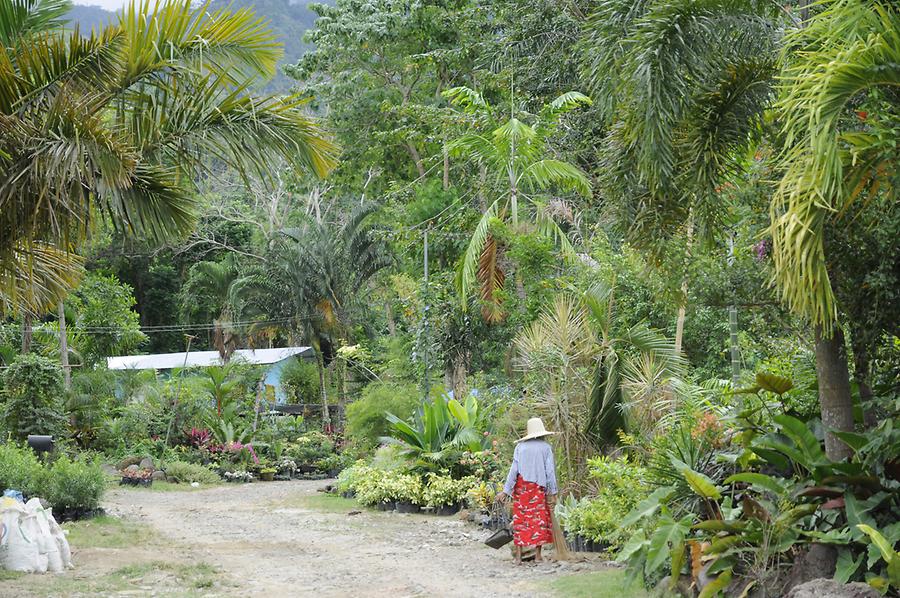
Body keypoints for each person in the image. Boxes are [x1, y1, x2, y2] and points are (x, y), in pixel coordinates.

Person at [495, 417, 558, 564]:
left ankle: (518, 557)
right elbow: (550, 472)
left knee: (521, 521)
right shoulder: (546, 448)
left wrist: (505, 491)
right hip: (538, 488)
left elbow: (513, 471)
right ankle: (537, 556)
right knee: (539, 521)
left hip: (522, 488)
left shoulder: (520, 448)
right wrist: (553, 492)